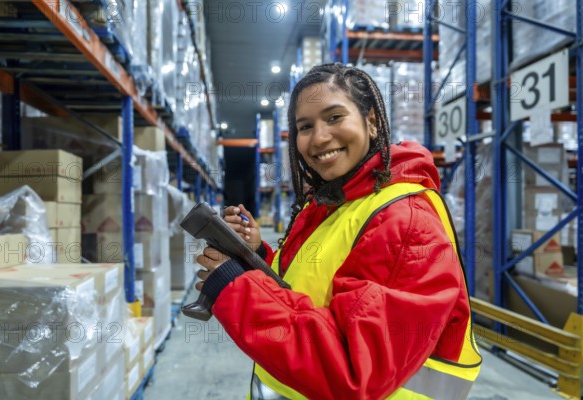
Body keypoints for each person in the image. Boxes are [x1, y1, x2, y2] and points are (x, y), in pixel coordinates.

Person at [195, 63, 482, 399]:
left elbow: (352, 371)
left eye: (334, 118)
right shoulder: (333, 205)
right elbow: (306, 291)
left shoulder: (404, 222)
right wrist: (255, 256)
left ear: (372, 121)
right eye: (305, 126)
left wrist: (235, 289)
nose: (318, 138)